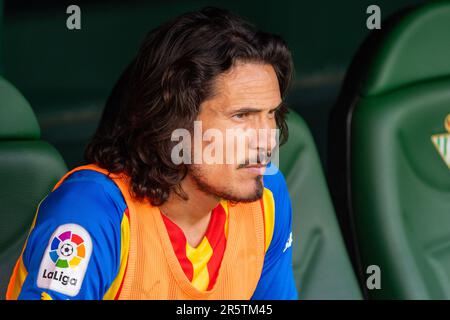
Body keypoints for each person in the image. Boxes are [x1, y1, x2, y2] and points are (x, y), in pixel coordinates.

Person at [7, 7, 298, 300]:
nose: (267, 141)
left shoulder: (265, 197)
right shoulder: (92, 212)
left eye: (271, 114)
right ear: (175, 121)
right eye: (242, 116)